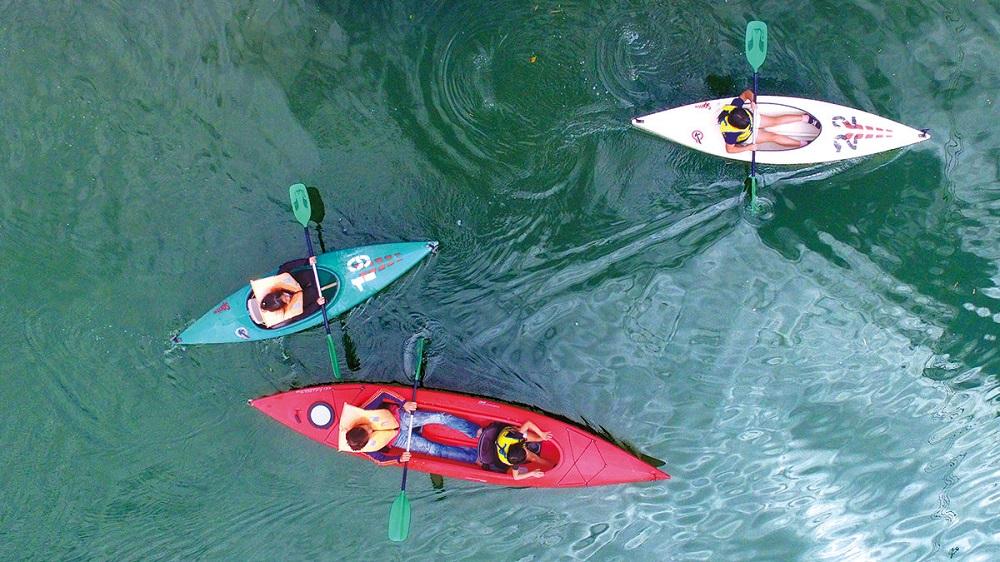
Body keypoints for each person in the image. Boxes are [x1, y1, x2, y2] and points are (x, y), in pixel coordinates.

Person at [338, 395, 482, 465]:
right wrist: (398, 459)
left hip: (400, 418)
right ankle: (476, 457)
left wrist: (403, 403)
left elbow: (383, 394)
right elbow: (380, 460)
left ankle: (475, 431)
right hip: (399, 439)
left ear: (357, 425)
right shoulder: (368, 448)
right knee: (433, 450)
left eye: (365, 427)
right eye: (369, 434)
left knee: (440, 418)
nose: (370, 429)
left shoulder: (365, 411)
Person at [718, 89, 820, 153]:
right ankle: (803, 144)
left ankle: (806, 118)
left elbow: (746, 93)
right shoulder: (731, 134)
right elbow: (730, 149)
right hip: (748, 135)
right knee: (773, 137)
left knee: (775, 121)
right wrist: (748, 148)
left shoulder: (734, 106)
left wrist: (752, 100)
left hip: (752, 120)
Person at [479, 421, 554, 480]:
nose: (527, 451)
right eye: (526, 452)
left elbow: (528, 423)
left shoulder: (515, 437)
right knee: (534, 458)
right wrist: (532, 473)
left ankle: (541, 438)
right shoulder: (515, 461)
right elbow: (516, 477)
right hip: (507, 447)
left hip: (509, 433)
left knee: (538, 438)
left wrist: (541, 434)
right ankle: (553, 466)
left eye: (525, 451)